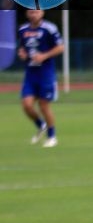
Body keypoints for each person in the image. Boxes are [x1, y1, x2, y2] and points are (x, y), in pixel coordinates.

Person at [17, 8, 64, 148]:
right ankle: (41, 125)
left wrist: (44, 56)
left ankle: (52, 137)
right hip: (30, 74)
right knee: (26, 105)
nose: (34, 14)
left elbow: (60, 47)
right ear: (27, 14)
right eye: (31, 12)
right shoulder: (23, 29)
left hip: (46, 74)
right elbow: (22, 48)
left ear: (42, 13)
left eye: (36, 12)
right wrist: (22, 54)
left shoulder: (49, 28)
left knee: (43, 106)